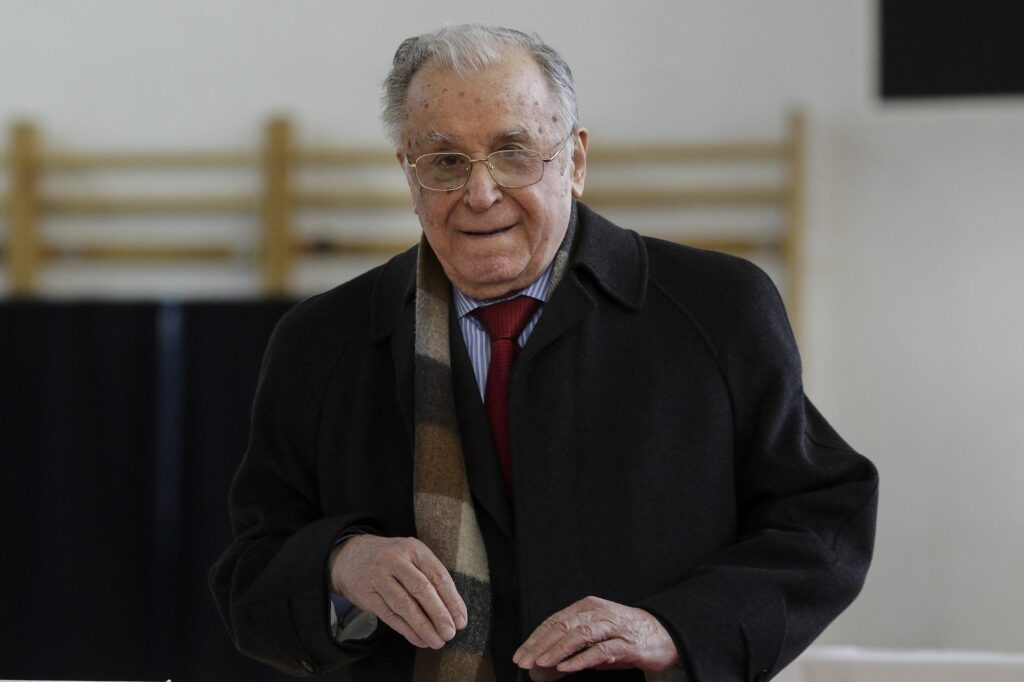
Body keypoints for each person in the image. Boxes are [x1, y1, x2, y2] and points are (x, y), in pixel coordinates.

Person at [210, 24, 878, 682]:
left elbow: (821, 520)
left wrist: (674, 628)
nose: (480, 194)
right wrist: (338, 564)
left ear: (575, 162)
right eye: (445, 162)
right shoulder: (319, 341)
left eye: (513, 153)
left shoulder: (719, 307)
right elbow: (249, 575)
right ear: (410, 178)